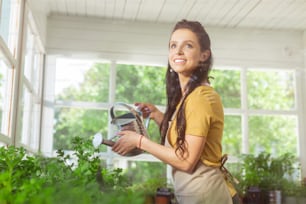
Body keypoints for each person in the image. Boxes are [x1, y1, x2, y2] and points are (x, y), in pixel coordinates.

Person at [112, 19, 237, 204]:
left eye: (188, 45)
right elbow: (184, 139)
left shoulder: (200, 98)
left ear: (204, 55)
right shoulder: (188, 97)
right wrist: (156, 115)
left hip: (206, 197)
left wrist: (139, 141)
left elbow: (186, 160)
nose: (177, 52)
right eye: (173, 45)